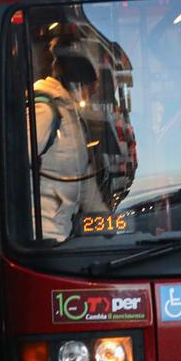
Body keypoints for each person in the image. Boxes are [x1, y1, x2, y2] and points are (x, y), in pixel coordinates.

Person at [32, 39, 110, 240]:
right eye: (88, 90)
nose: (88, 97)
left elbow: (84, 182)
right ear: (78, 84)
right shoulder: (45, 111)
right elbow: (16, 166)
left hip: (61, 228)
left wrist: (108, 224)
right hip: (43, 231)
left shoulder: (70, 115)